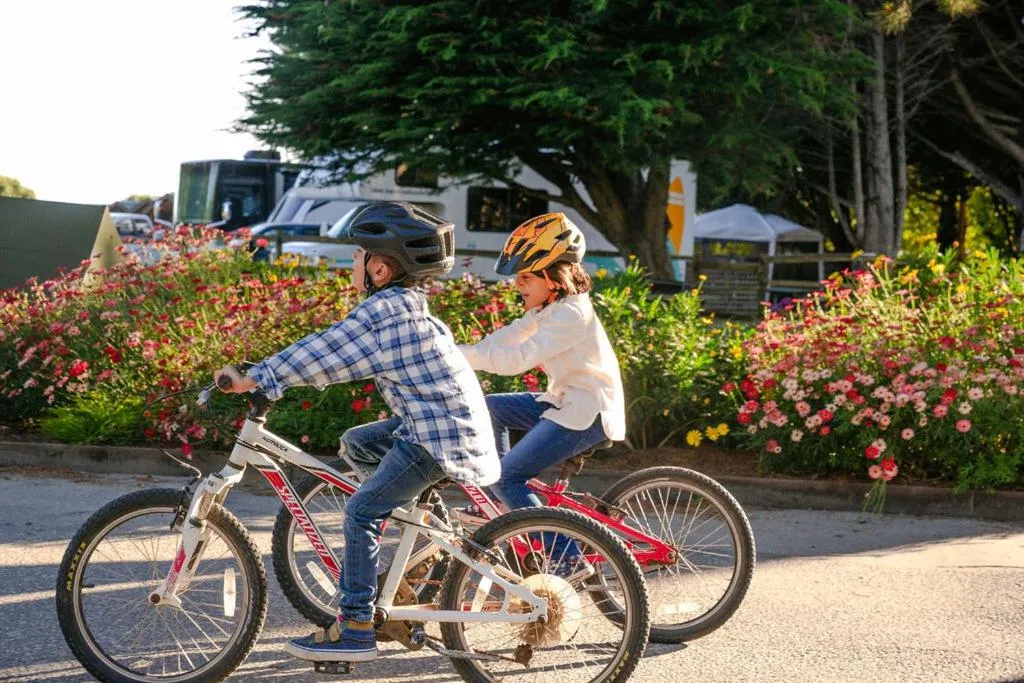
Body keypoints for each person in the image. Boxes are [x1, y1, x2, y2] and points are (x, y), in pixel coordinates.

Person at [215, 201, 499, 664]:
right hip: (442, 428)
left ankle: (357, 629)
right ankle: (422, 536)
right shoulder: (403, 305)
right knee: (357, 443)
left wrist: (260, 376)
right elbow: (330, 350)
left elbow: (325, 352)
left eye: (358, 256)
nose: (353, 263)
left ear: (380, 269)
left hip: (437, 438)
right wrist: (269, 373)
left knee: (362, 512)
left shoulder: (385, 313)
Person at [455, 213, 626, 539]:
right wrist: (456, 350)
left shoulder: (570, 314)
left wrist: (459, 357)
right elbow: (505, 339)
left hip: (587, 412)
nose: (517, 285)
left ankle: (565, 559)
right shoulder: (549, 310)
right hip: (566, 403)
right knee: (489, 408)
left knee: (509, 478)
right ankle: (501, 504)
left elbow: (519, 358)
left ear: (552, 278)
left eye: (525, 278)